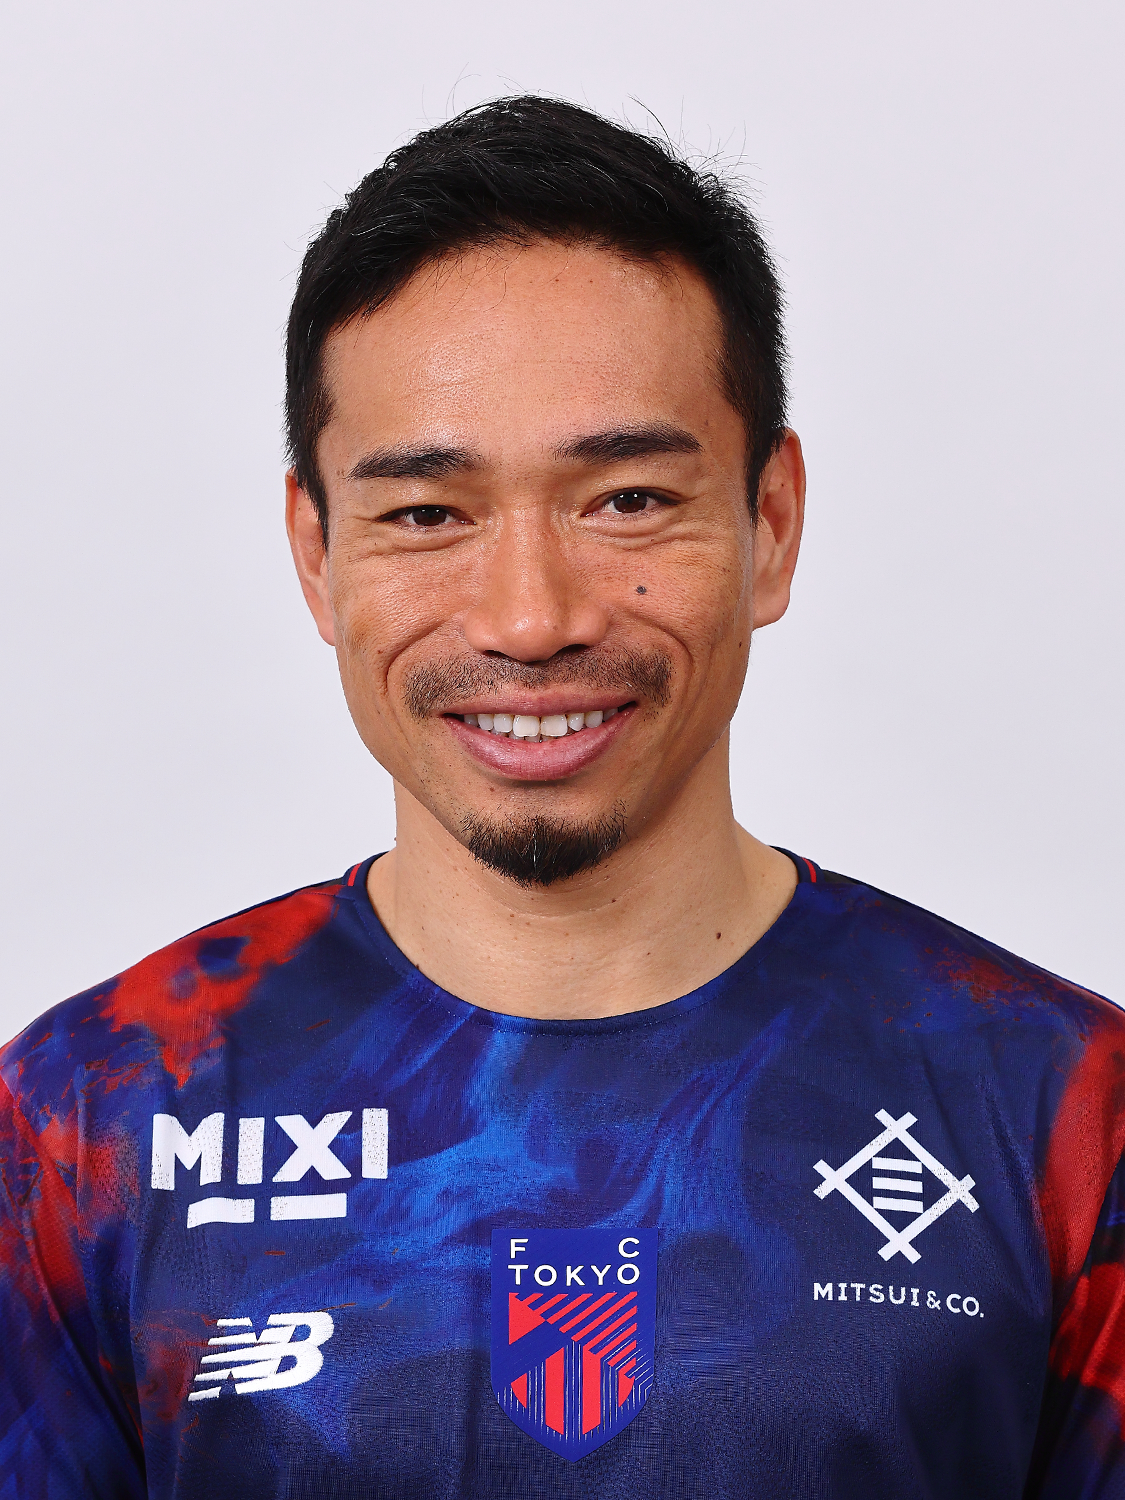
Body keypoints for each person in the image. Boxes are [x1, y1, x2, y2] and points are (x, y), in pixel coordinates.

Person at [1, 95, 1121, 1500]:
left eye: (628, 500)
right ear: (316, 554)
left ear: (771, 524)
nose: (530, 618)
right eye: (427, 514)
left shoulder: (1069, 1116)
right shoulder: (84, 1125)